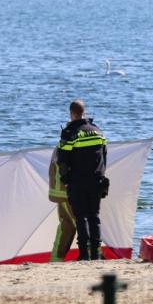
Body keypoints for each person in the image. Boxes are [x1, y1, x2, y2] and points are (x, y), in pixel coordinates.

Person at [57, 100, 108, 261]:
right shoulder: (98, 131)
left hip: (77, 181)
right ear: (84, 112)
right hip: (97, 179)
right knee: (94, 216)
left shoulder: (70, 133)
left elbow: (62, 160)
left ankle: (84, 254)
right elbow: (104, 156)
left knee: (81, 217)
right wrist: (101, 175)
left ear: (71, 114)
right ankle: (96, 253)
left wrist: (65, 179)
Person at [47, 146, 76, 262]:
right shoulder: (72, 145)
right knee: (80, 223)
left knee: (67, 225)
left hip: (61, 192)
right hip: (67, 193)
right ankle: (93, 254)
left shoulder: (61, 145)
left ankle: (56, 258)